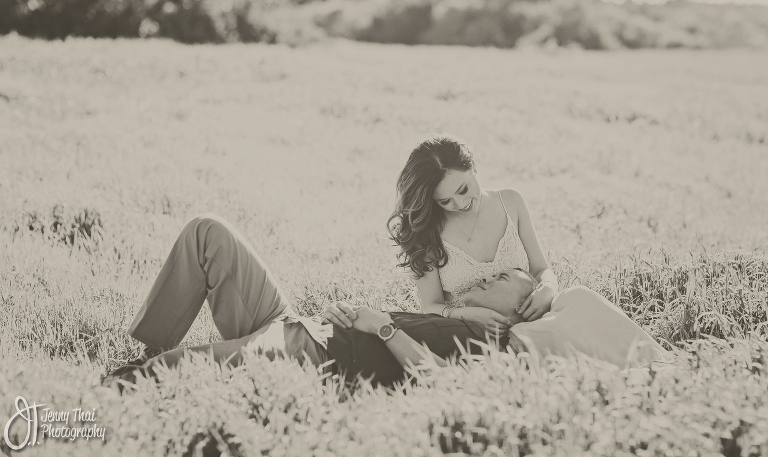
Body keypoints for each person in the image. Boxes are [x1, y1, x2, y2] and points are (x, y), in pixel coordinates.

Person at [103, 213, 528, 392]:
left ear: (520, 310)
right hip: (295, 325)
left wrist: (382, 326)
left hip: (306, 355)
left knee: (159, 374)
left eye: (504, 277)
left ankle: (92, 405)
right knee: (207, 232)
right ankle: (153, 342)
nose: (490, 273)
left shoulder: (490, 339)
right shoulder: (455, 316)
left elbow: (440, 384)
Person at [377, 135, 668, 367]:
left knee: (578, 297)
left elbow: (541, 269)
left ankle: (656, 361)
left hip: (535, 310)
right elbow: (430, 306)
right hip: (487, 331)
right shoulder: (428, 231)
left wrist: (548, 289)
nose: (460, 204)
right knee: (547, 340)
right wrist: (468, 315)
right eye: (445, 201)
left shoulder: (510, 202)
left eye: (464, 189)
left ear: (474, 169)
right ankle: (616, 372)